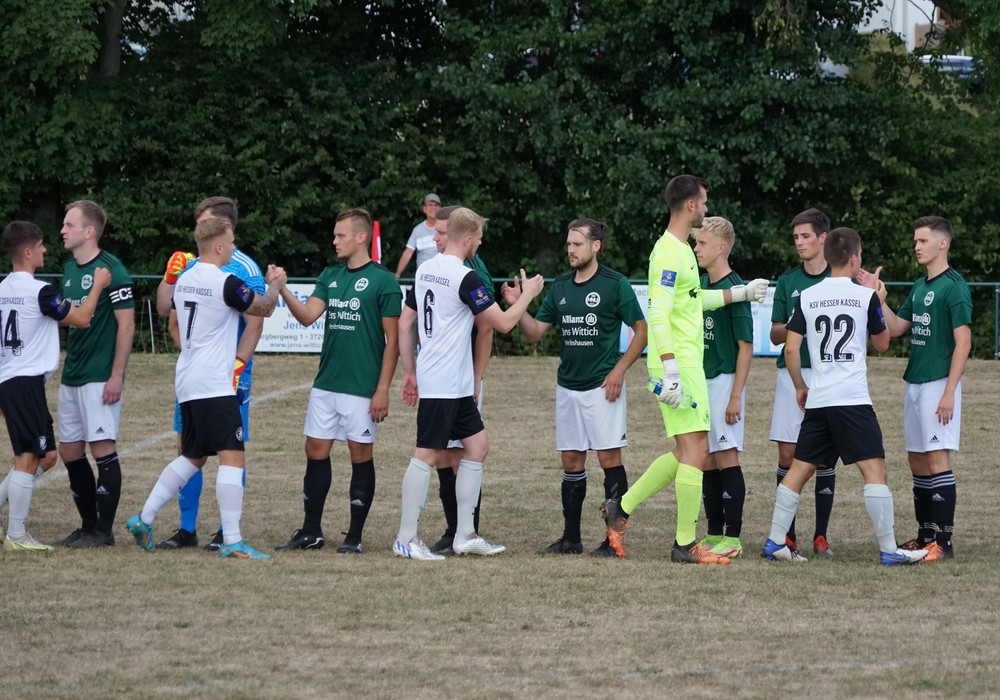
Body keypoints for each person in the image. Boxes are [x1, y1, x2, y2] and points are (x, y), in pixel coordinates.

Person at [599, 175, 768, 563]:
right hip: (679, 367)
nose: (706, 208)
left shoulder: (680, 250)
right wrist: (671, 370)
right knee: (697, 451)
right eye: (704, 202)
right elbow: (658, 313)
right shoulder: (668, 253)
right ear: (690, 204)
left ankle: (621, 508)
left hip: (686, 364)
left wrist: (741, 293)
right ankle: (685, 544)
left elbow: (691, 302)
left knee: (686, 451)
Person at [760, 227, 928, 566]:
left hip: (819, 399)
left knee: (798, 470)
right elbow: (883, 343)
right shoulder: (864, 297)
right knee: (875, 470)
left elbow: (790, 349)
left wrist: (800, 386)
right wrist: (878, 299)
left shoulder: (807, 296)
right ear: (854, 258)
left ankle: (776, 541)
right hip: (852, 399)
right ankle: (889, 549)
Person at [125, 216, 285, 559]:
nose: (233, 247)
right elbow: (265, 308)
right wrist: (275, 283)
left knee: (193, 456)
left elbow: (169, 316)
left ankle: (144, 518)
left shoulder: (185, 279)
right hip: (214, 382)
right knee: (233, 454)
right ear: (219, 246)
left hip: (188, 379)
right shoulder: (225, 282)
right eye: (231, 242)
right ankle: (233, 541)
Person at [393, 207, 544, 560]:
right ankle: (405, 538)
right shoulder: (466, 278)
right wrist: (528, 294)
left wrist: (411, 370)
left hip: (454, 384)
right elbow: (502, 323)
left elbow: (405, 322)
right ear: (467, 239)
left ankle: (465, 535)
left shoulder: (426, 269)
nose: (479, 244)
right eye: (478, 239)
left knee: (477, 446)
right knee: (427, 454)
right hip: (443, 383)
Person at [500, 218, 647, 557]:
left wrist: (619, 370)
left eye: (577, 243)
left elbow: (641, 332)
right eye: (568, 243)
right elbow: (534, 333)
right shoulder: (561, 286)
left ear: (596, 246)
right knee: (571, 461)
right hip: (567, 387)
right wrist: (518, 304)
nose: (571, 249)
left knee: (608, 459)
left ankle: (614, 541)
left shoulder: (615, 284)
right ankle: (571, 540)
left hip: (602, 387)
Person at [274, 208, 401, 553]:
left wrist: (382, 390)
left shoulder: (384, 281)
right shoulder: (329, 275)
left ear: (361, 237)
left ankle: (354, 537)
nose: (334, 241)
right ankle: (310, 531)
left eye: (340, 235)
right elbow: (307, 317)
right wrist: (283, 289)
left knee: (360, 454)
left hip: (362, 387)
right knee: (315, 450)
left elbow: (393, 342)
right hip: (326, 383)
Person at [153, 196, 266, 551]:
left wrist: (238, 366)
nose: (197, 228)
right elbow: (166, 313)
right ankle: (187, 528)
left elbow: (255, 322)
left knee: (231, 448)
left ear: (223, 226)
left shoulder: (243, 268)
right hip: (197, 374)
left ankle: (224, 531)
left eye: (204, 221)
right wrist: (169, 277)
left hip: (227, 376)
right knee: (189, 448)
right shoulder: (191, 264)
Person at [864, 216, 971, 561]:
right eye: (915, 241)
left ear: (942, 243)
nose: (917, 246)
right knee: (917, 459)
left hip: (938, 383)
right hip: (914, 382)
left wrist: (949, 391)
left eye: (923, 240)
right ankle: (925, 536)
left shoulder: (954, 286)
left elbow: (964, 342)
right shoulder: (920, 285)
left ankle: (944, 542)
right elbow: (896, 328)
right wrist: (878, 298)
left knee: (937, 458)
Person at [0, 221, 110, 551]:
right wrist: (98, 286)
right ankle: (17, 535)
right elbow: (82, 319)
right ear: (28, 252)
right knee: (28, 456)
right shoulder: (40, 291)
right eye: (41, 245)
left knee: (47, 456)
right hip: (24, 381)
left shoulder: (3, 289)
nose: (46, 250)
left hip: (12, 381)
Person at [50, 201, 135, 549]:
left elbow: (126, 326)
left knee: (101, 447)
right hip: (72, 374)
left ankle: (103, 531)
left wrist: (116, 375)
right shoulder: (69, 268)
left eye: (69, 224)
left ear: (89, 231)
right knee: (70, 450)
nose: (62, 230)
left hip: (99, 375)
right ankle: (87, 527)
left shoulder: (113, 269)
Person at [424, 204, 495, 556]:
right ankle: (455, 531)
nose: (435, 239)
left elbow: (487, 328)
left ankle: (464, 531)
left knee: (459, 454)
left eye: (440, 233)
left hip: (460, 379)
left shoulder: (471, 271)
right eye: (435, 233)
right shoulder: (433, 267)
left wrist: (476, 377)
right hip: (439, 376)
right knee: (442, 455)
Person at [769, 208, 837, 557]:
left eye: (806, 236)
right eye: (796, 237)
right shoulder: (788, 281)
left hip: (828, 375)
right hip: (790, 375)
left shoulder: (839, 280)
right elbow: (775, 333)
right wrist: (801, 321)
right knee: (788, 453)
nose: (799, 242)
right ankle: (788, 535)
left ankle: (820, 536)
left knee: (823, 458)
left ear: (823, 238)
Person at [692, 216, 753, 558]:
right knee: (705, 459)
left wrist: (735, 395)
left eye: (702, 243)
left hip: (723, 381)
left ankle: (734, 537)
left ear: (721, 247)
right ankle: (714, 532)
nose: (696, 248)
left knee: (726, 456)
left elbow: (746, 346)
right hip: (700, 382)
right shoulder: (700, 284)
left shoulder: (737, 288)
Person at [394, 193, 441, 280]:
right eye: (430, 205)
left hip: (442, 277)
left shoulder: (446, 228)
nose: (433, 208)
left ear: (440, 209)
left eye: (436, 205)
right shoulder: (417, 230)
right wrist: (397, 275)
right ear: (424, 209)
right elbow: (408, 253)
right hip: (423, 278)